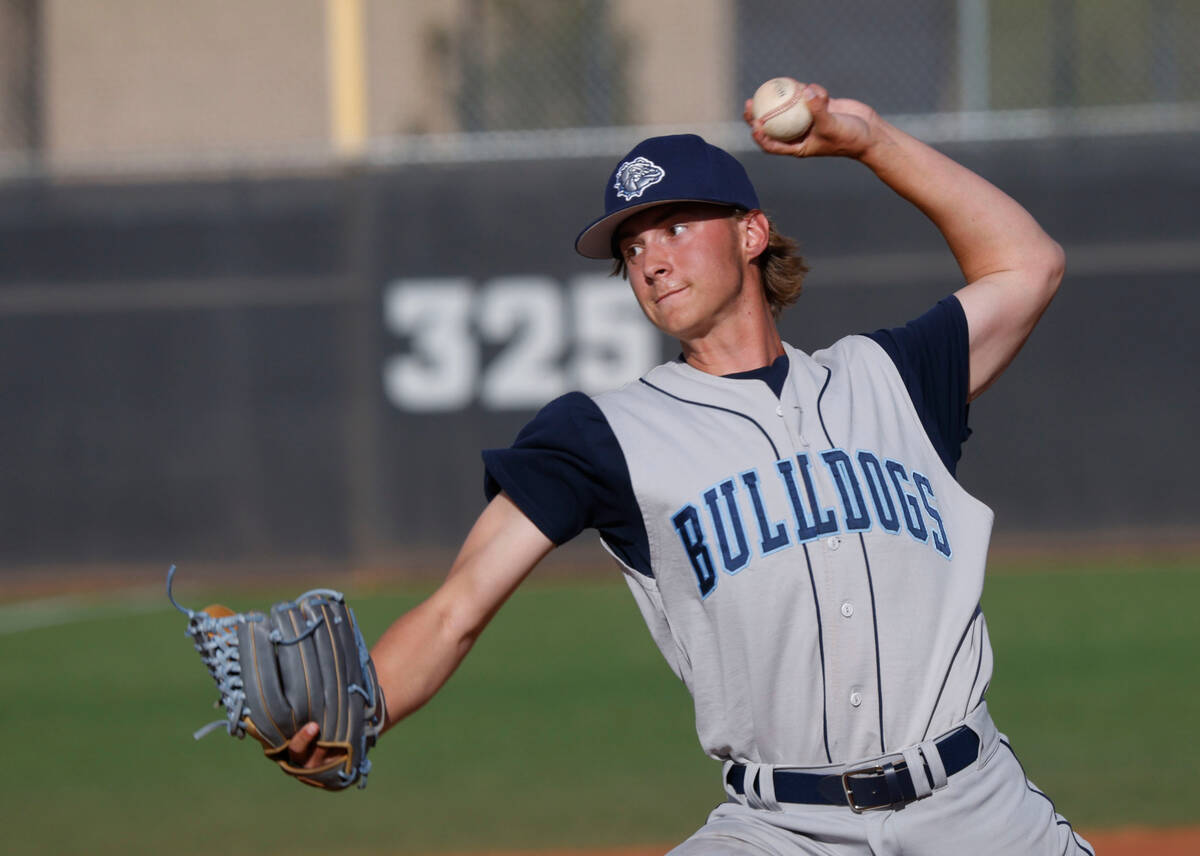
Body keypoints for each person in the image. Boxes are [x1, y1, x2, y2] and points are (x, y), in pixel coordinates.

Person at [291, 83, 1091, 855]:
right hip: (783, 828)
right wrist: (354, 715)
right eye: (631, 248)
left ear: (750, 234)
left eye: (674, 228)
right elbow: (452, 610)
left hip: (974, 810)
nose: (650, 262)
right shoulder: (604, 434)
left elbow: (1030, 264)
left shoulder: (891, 380)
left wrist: (869, 141)